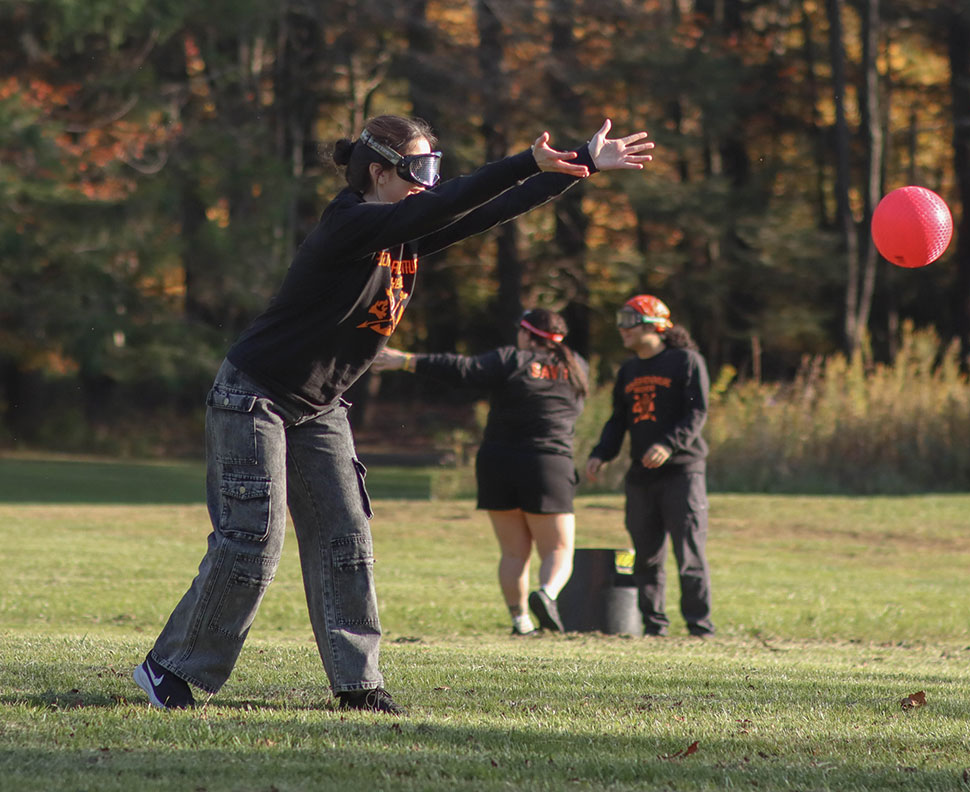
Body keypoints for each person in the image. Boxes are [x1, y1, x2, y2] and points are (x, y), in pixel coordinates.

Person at [131, 116, 654, 713]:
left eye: (437, 167)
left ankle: (358, 685)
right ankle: (169, 668)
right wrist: (523, 161)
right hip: (257, 395)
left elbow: (481, 212)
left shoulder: (403, 231)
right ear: (379, 171)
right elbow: (456, 200)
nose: (432, 183)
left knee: (346, 539)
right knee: (253, 539)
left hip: (320, 406)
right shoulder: (350, 223)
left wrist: (579, 163)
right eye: (421, 169)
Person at [373, 309, 587, 636]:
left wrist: (406, 360)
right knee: (558, 550)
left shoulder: (510, 359)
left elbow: (464, 370)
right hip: (548, 463)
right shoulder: (577, 368)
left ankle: (521, 623)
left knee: (514, 552)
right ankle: (547, 593)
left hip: (497, 462)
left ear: (528, 334)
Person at [585, 295, 714, 638]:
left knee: (689, 555)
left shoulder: (686, 361)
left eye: (630, 320)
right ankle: (654, 627)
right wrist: (601, 452)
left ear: (656, 326)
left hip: (682, 473)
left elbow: (696, 413)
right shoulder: (628, 370)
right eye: (620, 318)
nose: (622, 328)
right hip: (641, 477)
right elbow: (618, 420)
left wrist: (668, 445)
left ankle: (700, 629)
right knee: (645, 557)